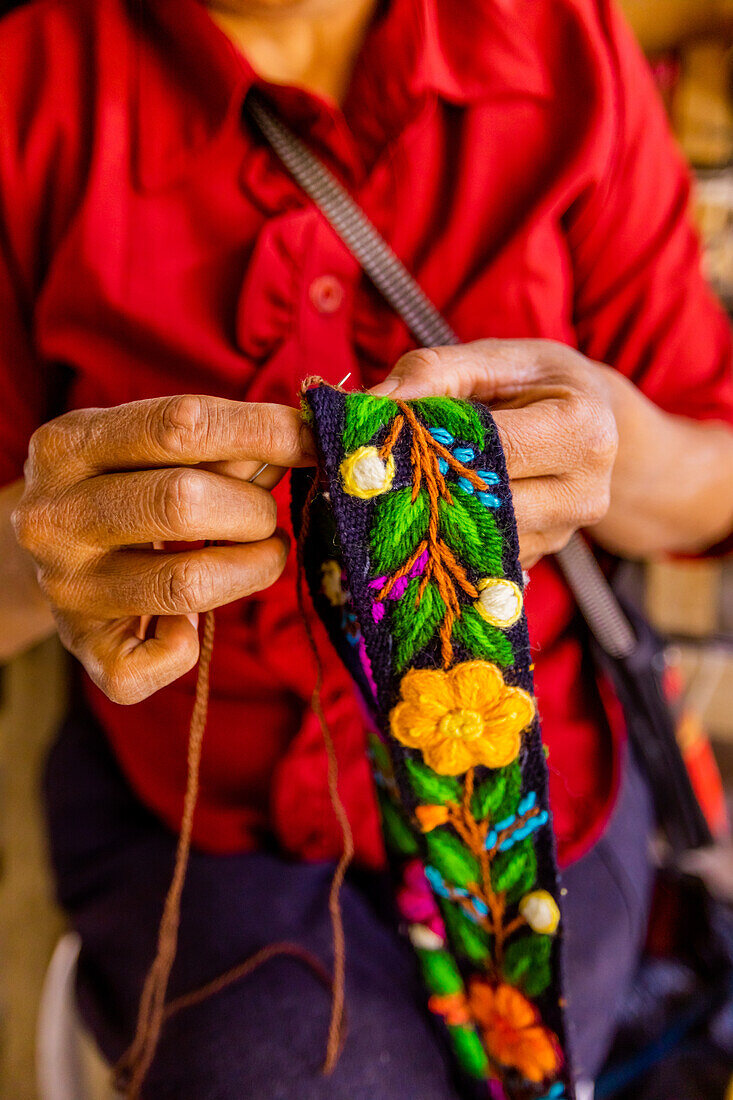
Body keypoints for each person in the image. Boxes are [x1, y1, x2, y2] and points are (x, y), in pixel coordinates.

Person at [1, 0, 732, 1096]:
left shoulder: (559, 43)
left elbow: (714, 484)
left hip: (544, 781)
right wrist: (46, 552)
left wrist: (610, 448)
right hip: (214, 832)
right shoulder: (29, 86)